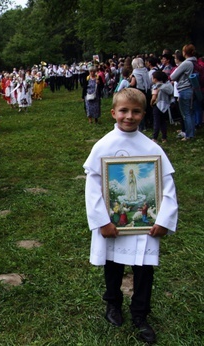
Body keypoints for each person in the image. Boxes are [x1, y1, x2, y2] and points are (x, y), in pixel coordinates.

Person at [83, 88, 178, 344]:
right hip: (113, 226)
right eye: (124, 111)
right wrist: (103, 221)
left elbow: (167, 188)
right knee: (114, 266)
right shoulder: (103, 146)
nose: (129, 116)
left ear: (143, 114)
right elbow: (93, 188)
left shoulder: (151, 148)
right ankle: (112, 304)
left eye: (136, 111)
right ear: (113, 112)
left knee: (144, 270)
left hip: (145, 229)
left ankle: (140, 314)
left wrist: (163, 220)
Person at [170, 44, 200, 141]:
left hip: (185, 89)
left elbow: (173, 76)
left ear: (184, 52)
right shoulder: (195, 62)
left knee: (186, 114)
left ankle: (189, 135)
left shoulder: (186, 63)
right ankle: (191, 132)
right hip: (193, 89)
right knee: (190, 113)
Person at [150, 70, 173, 143]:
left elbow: (154, 97)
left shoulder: (155, 87)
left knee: (156, 122)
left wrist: (151, 103)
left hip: (157, 105)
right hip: (165, 105)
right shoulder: (166, 86)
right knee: (163, 122)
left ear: (155, 79)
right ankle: (164, 138)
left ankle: (155, 137)